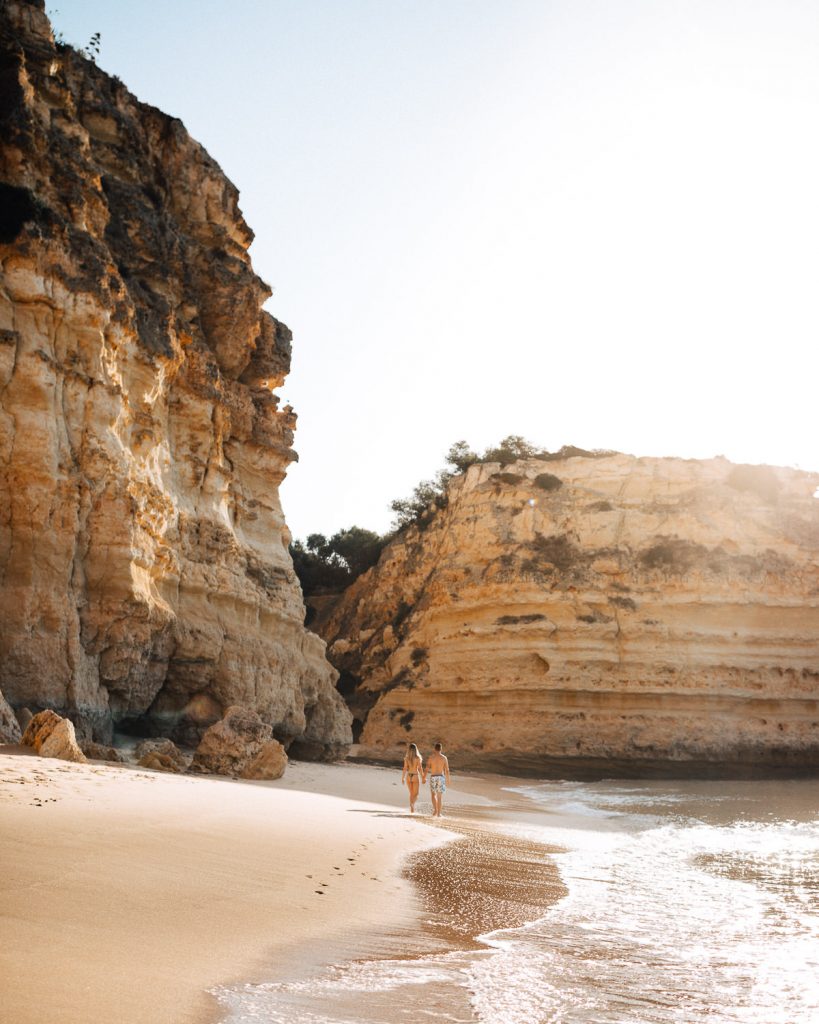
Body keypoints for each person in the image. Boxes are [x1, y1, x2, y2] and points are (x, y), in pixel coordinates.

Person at [425, 742, 451, 818]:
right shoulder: (444, 758)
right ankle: (439, 814)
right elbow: (447, 770)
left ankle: (435, 810)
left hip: (433, 777)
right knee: (439, 797)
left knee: (433, 795)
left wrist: (424, 777)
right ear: (441, 749)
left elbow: (426, 768)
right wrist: (448, 779)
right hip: (440, 777)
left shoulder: (431, 758)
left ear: (434, 749)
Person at [401, 742, 424, 814]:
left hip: (408, 776)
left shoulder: (406, 758)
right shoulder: (418, 758)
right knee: (416, 794)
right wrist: (423, 777)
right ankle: (412, 804)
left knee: (411, 793)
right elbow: (420, 768)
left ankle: (412, 810)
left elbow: (405, 768)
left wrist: (403, 778)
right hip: (415, 775)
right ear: (416, 749)